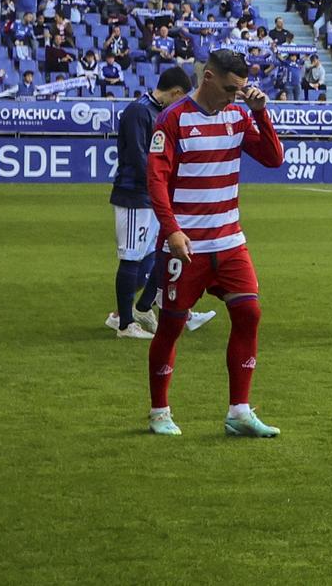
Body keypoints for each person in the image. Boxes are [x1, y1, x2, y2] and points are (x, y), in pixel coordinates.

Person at [143, 49, 286, 438]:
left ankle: (239, 412)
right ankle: (159, 412)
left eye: (239, 91)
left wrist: (259, 112)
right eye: (228, 89)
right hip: (185, 245)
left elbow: (274, 159)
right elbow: (155, 179)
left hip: (229, 239)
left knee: (250, 314)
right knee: (171, 327)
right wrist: (171, 230)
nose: (233, 97)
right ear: (207, 78)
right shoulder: (172, 119)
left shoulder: (239, 114)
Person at [106, 66, 213, 338]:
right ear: (176, 92)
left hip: (152, 196)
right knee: (131, 257)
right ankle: (125, 323)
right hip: (135, 195)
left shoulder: (156, 112)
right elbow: (139, 157)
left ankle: (141, 309)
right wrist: (160, 184)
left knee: (156, 257)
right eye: (182, 98)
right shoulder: (139, 111)